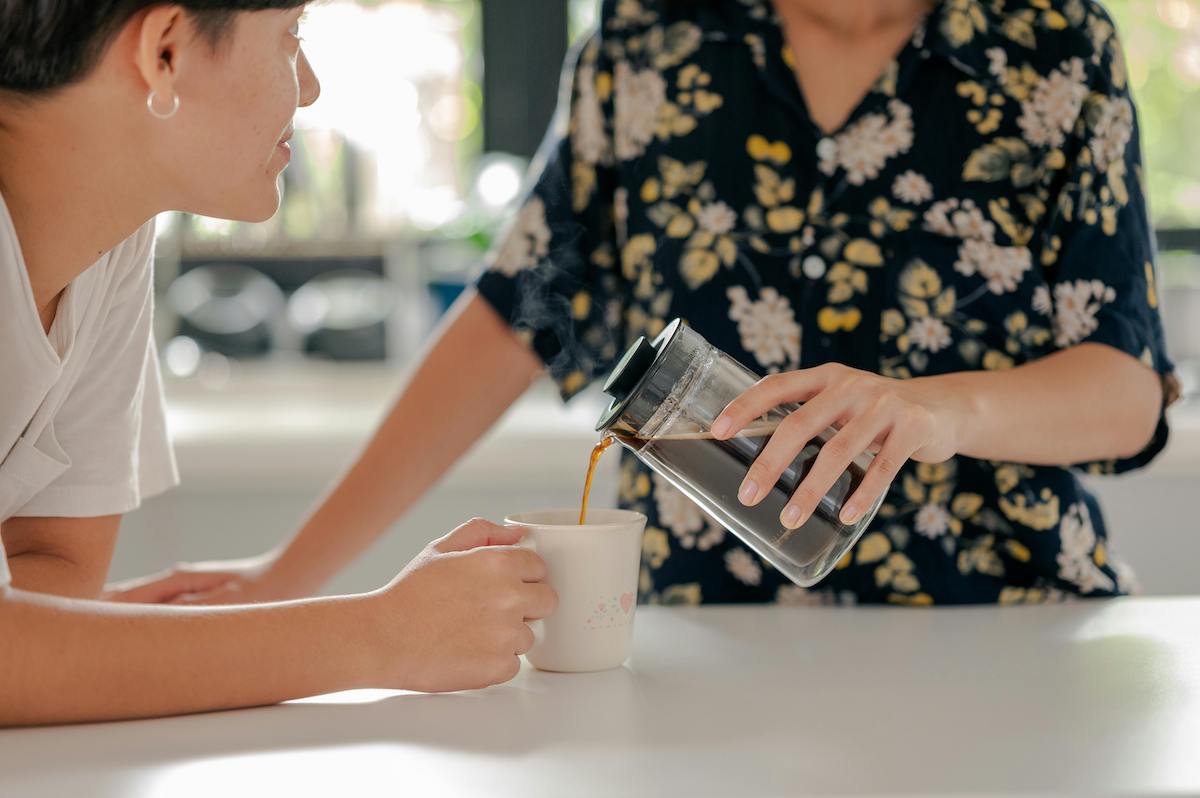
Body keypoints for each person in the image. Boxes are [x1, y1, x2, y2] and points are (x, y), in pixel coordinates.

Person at [114, 0, 1178, 609]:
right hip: (695, 630)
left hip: (999, 620)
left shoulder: (1053, 45)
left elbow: (1127, 390)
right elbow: (516, 312)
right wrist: (288, 574)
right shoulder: (648, 40)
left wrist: (938, 412)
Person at [0, 1, 555, 727]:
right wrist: (377, 635)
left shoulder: (110, 242)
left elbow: (54, 579)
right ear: (164, 51)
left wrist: (66, 647)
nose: (313, 85)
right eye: (291, 35)